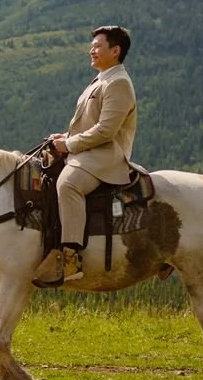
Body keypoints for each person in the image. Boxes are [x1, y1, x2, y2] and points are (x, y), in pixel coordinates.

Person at [38, 25, 137, 285]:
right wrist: (63, 138)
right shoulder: (102, 78)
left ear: (115, 51)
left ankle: (71, 258)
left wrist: (69, 145)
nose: (91, 50)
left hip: (106, 155)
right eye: (92, 46)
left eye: (97, 46)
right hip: (89, 151)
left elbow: (106, 131)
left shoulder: (118, 83)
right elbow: (89, 125)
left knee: (68, 184)